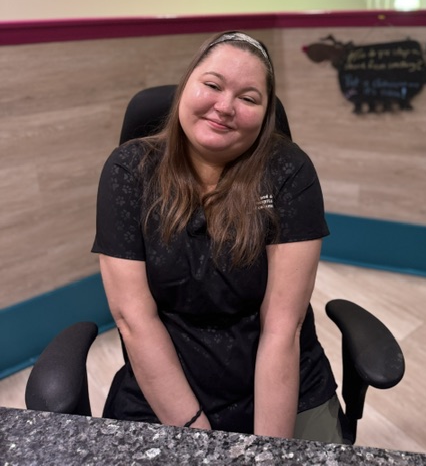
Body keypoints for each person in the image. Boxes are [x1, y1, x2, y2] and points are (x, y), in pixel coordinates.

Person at [92, 31, 344, 443]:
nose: (224, 107)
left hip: (280, 380)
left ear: (265, 115)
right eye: (212, 85)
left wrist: (267, 451)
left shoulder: (288, 171)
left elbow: (283, 326)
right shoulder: (131, 171)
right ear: (186, 86)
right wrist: (201, 440)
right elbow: (134, 321)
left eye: (248, 98)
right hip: (167, 379)